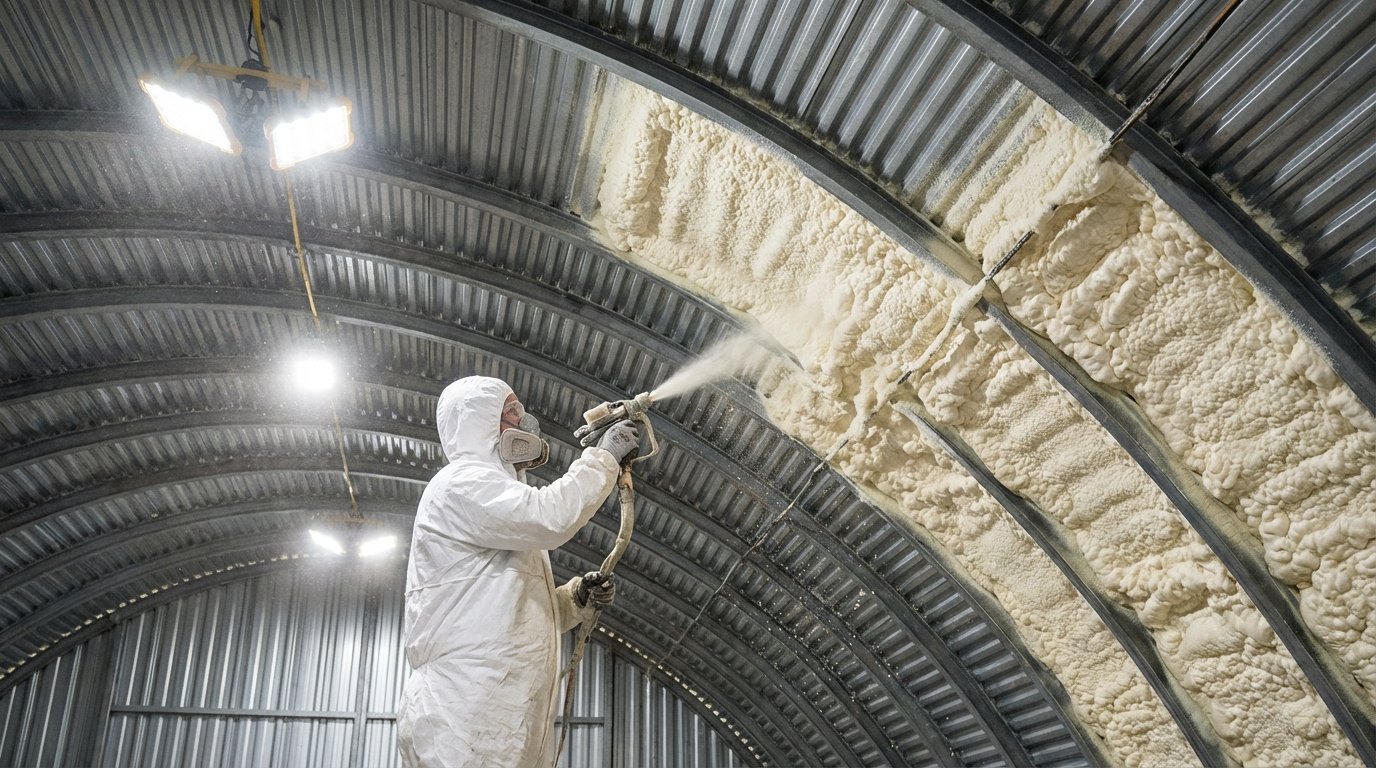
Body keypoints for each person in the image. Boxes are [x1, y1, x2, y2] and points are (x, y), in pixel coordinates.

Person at [396, 375, 640, 768]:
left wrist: (573, 600)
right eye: (512, 412)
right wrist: (603, 457)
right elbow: (552, 517)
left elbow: (517, 612)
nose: (526, 423)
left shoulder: (495, 498)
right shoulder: (463, 484)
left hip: (498, 709)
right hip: (469, 709)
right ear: (482, 422)